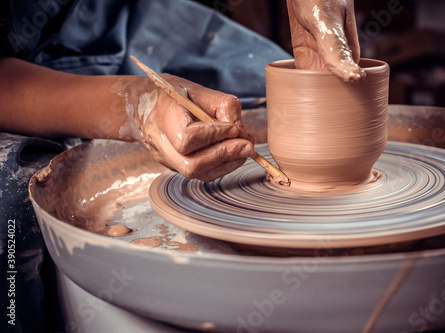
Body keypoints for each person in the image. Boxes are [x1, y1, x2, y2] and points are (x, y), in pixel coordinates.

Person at [0, 0, 362, 332]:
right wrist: (131, 104)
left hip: (111, 15)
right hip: (17, 80)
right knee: (14, 208)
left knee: (278, 92)